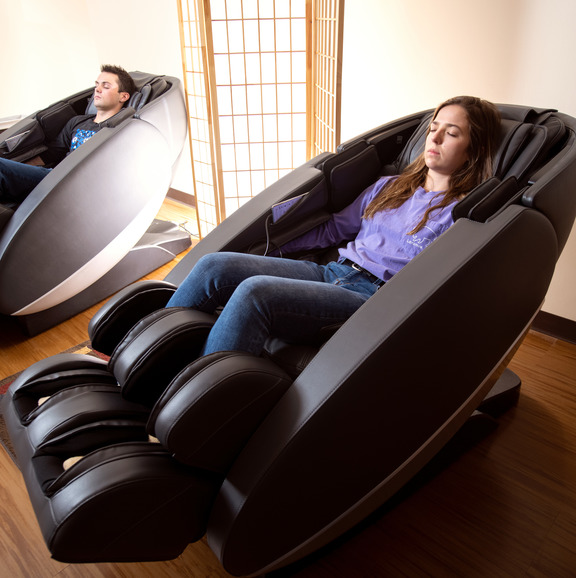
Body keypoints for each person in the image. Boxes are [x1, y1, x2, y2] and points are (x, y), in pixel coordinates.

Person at [167, 96, 502, 357]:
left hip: (371, 298)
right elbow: (334, 230)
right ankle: (145, 353)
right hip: (331, 272)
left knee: (254, 294)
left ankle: (190, 400)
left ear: (473, 149)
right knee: (214, 265)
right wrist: (271, 249)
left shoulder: (462, 216)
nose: (437, 137)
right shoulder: (389, 186)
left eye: (452, 132)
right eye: (434, 127)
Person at [0, 64, 136, 203]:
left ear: (123, 96)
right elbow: (51, 154)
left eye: (106, 86)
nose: (98, 90)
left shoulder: (119, 130)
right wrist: (18, 167)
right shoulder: (77, 121)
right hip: (52, 177)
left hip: (71, 185)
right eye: (97, 85)